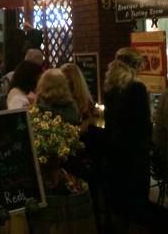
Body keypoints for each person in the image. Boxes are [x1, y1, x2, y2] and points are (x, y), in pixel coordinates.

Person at [103, 47, 151, 226]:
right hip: (134, 152)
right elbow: (143, 124)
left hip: (115, 149)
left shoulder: (110, 86)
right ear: (134, 65)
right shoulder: (137, 87)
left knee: (120, 197)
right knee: (136, 200)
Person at [60, 63, 94, 130]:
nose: (62, 82)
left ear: (74, 80)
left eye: (65, 78)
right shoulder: (59, 98)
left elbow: (87, 125)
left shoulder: (86, 102)